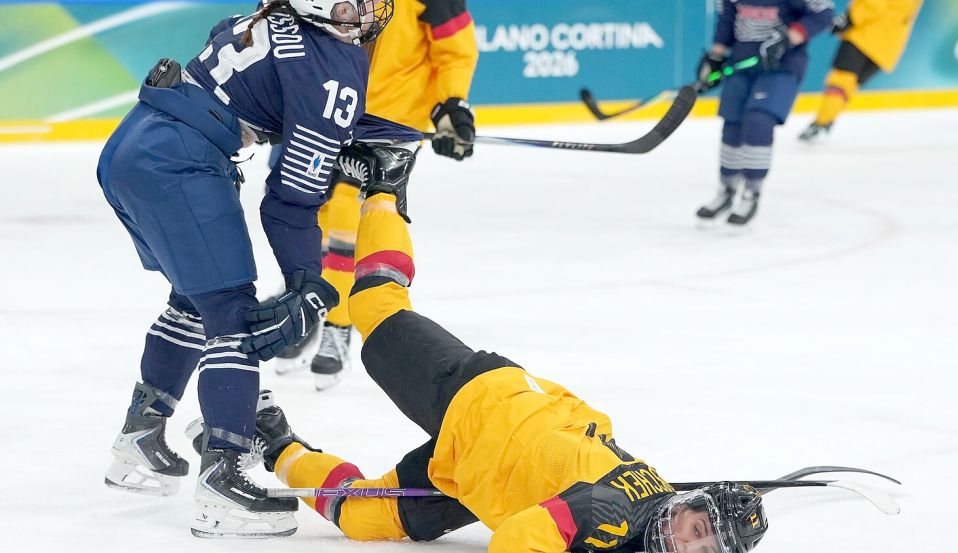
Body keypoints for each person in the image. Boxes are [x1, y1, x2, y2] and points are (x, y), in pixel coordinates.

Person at [218, 142, 770, 552]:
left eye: (703, 552)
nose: (686, 546)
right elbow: (515, 541)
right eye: (696, 531)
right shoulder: (613, 514)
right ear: (686, 506)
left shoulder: (643, 518)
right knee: (374, 306)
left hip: (476, 475)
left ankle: (276, 440)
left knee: (364, 518)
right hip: (479, 401)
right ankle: (386, 189)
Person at [97, 0, 420, 538]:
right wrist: (307, 282)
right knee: (234, 314)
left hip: (136, 147)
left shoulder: (273, 17)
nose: (367, 10)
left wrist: (376, 131)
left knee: (194, 298)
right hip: (181, 162)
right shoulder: (334, 67)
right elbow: (290, 203)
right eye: (353, 1)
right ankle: (223, 479)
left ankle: (140, 439)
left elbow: (293, 99)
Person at [272, 0, 479, 390]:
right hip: (331, 108)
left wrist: (452, 106)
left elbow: (455, 47)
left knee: (347, 217)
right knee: (312, 209)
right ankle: (311, 296)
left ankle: (338, 322)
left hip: (391, 122)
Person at [695, 0, 834, 226]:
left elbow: (823, 13)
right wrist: (716, 56)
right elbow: (727, 18)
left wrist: (789, 38)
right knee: (732, 124)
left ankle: (751, 192)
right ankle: (726, 190)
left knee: (758, 121)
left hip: (781, 67)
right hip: (741, 63)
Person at [799, 0, 923, 142]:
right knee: (849, 86)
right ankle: (826, 120)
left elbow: (874, 4)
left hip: (865, 35)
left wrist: (850, 19)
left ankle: (822, 123)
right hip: (890, 46)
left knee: (840, 82)